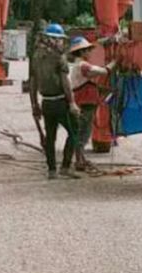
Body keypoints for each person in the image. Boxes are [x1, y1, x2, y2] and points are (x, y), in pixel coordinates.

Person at [29, 23, 81, 179]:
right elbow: (65, 82)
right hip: (60, 102)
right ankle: (65, 166)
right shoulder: (59, 57)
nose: (60, 43)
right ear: (51, 39)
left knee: (50, 137)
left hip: (46, 103)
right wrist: (72, 103)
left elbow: (32, 82)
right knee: (74, 131)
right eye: (58, 40)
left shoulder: (36, 56)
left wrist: (34, 105)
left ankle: (52, 170)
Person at [68, 35, 110, 171]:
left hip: (84, 102)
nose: (88, 52)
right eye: (86, 50)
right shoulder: (83, 66)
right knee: (83, 133)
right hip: (85, 104)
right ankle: (79, 161)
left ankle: (81, 159)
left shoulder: (77, 65)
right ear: (81, 52)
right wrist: (114, 64)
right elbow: (101, 72)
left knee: (83, 132)